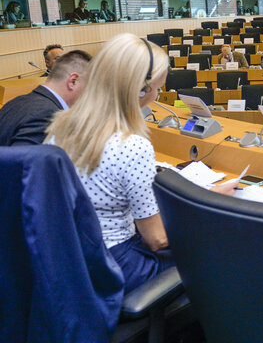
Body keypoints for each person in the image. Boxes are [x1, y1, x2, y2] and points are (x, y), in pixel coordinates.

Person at [45, 34, 235, 293]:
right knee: (220, 250)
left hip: (72, 263)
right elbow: (157, 239)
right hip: (116, 267)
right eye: (157, 88)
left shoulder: (60, 127)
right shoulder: (131, 146)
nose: (156, 95)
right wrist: (205, 199)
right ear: (138, 90)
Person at [0, 50, 91, 146]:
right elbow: (25, 160)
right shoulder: (49, 116)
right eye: (89, 86)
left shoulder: (16, 101)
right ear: (73, 81)